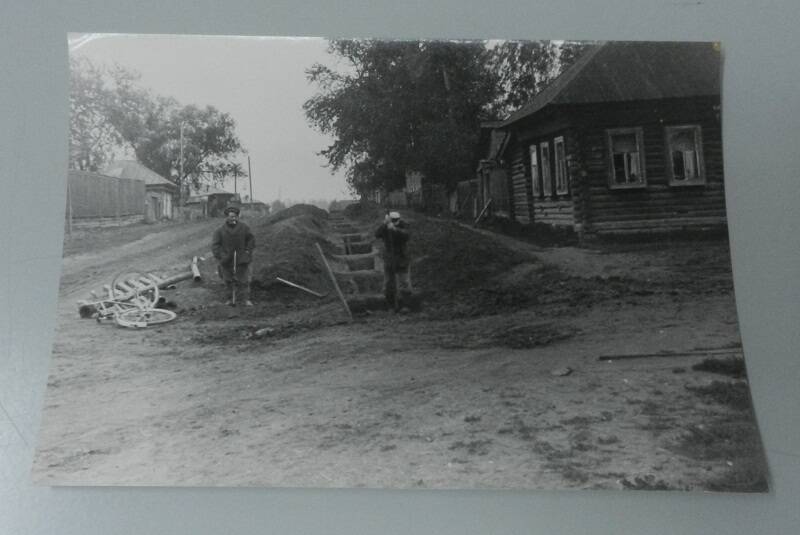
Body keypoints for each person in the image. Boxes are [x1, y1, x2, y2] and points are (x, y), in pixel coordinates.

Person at [212, 205, 256, 306]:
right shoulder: (220, 230)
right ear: (227, 217)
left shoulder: (244, 228)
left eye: (235, 216)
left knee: (244, 280)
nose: (233, 218)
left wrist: (247, 251)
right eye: (231, 216)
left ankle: (244, 300)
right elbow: (215, 245)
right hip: (226, 260)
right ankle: (229, 299)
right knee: (228, 280)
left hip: (242, 259)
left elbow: (251, 240)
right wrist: (221, 255)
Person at [375, 210, 412, 311]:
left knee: (404, 282)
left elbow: (406, 235)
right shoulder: (385, 227)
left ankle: (406, 305)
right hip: (389, 259)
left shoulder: (404, 225)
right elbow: (377, 234)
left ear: (399, 219)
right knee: (388, 283)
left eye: (396, 220)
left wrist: (395, 229)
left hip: (402, 258)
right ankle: (391, 305)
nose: (394, 221)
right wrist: (384, 224)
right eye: (392, 220)